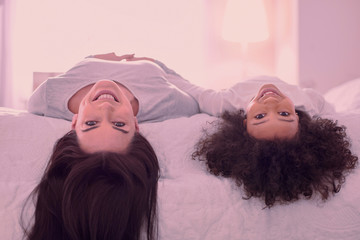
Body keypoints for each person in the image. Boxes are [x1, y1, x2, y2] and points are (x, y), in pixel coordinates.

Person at [23, 53, 200, 239]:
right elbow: (189, 88)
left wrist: (95, 57)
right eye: (119, 124)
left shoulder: (45, 98)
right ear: (135, 126)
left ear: (74, 124)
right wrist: (157, 64)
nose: (105, 107)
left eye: (91, 123)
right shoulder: (169, 103)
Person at [157, 63, 359, 207]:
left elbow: (190, 88)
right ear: (298, 117)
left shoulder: (226, 101)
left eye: (260, 116)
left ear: (244, 123)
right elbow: (336, 113)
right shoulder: (311, 102)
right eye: (284, 114)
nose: (271, 103)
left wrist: (158, 67)